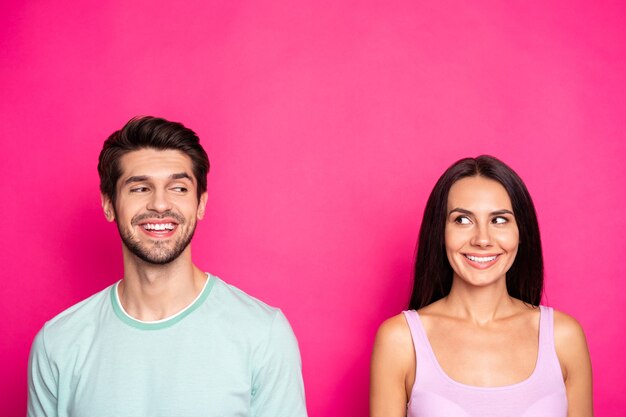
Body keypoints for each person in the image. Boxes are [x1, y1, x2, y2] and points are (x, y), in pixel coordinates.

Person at [28, 116, 307, 417]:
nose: (160, 204)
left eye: (178, 188)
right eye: (139, 189)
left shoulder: (263, 334)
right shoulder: (58, 343)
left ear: (200, 203)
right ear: (109, 204)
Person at [370, 155, 592, 417]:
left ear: (521, 232)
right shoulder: (400, 340)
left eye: (499, 220)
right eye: (463, 220)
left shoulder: (564, 338)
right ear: (440, 232)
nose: (482, 239)